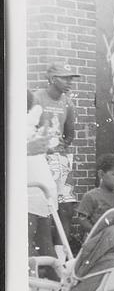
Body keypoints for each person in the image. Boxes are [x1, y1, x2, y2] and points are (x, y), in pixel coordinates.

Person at [33, 63, 81, 249]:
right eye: (65, 78)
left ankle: (63, 256)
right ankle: (45, 256)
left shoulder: (67, 102)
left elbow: (70, 133)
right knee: (44, 208)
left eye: (71, 78)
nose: (70, 82)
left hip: (60, 161)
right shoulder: (37, 98)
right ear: (53, 79)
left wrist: (62, 148)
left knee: (67, 208)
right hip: (41, 159)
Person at [28, 89, 59, 259]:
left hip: (36, 182)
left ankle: (50, 281)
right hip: (33, 181)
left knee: (39, 239)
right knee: (35, 239)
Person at [76, 154, 114, 236]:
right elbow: (82, 219)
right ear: (101, 174)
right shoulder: (91, 196)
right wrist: (95, 231)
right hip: (99, 238)